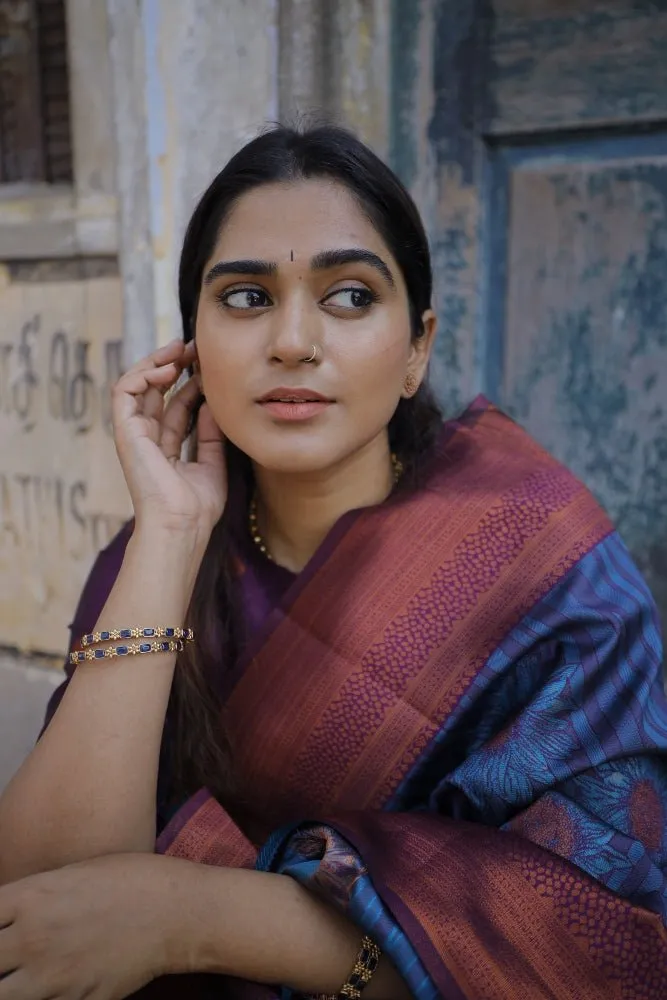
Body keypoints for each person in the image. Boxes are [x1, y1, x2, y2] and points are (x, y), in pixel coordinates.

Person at [0, 123, 665, 1000]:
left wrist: (192, 916)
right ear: (190, 344)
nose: (292, 341)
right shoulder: (160, 557)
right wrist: (167, 532)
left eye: (350, 295)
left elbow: (605, 944)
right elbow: (44, 906)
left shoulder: (547, 569)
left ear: (416, 348)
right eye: (245, 298)